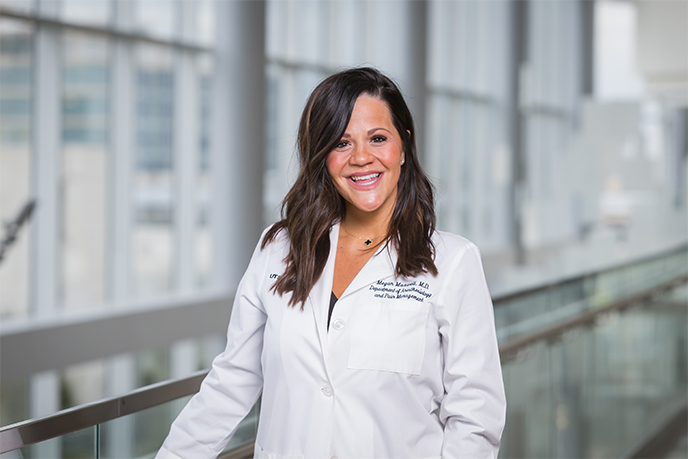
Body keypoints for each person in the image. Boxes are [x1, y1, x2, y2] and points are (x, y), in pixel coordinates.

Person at [156, 67, 506, 459]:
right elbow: (232, 380)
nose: (361, 158)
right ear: (323, 155)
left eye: (377, 138)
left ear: (404, 146)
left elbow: (475, 418)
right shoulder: (279, 248)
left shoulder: (454, 263)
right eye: (342, 143)